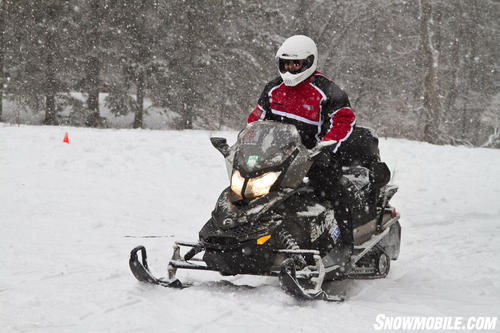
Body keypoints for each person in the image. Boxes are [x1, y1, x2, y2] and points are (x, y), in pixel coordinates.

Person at [247, 35, 381, 266]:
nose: (290, 68)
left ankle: (344, 250)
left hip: (315, 157)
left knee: (336, 193)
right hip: (278, 158)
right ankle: (237, 242)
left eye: (295, 64)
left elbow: (344, 121)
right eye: (286, 63)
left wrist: (327, 147)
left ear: (309, 62)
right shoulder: (273, 89)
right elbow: (256, 119)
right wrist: (247, 143)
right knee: (247, 191)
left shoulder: (327, 91)